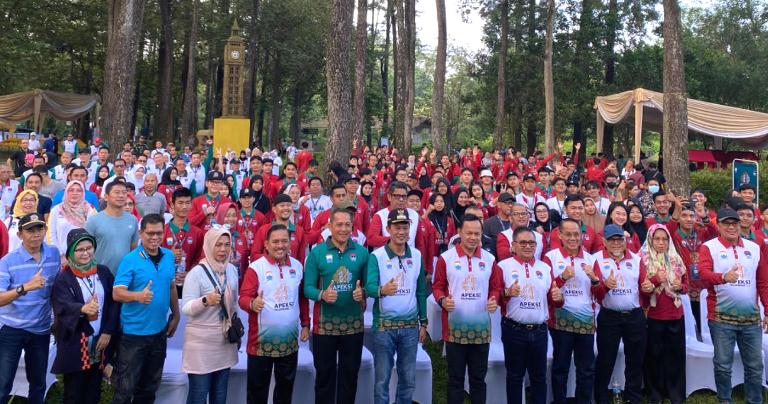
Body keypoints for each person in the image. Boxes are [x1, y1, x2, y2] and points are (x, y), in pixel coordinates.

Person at [698, 207, 768, 404]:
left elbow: (763, 281)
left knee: (755, 365)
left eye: (734, 223)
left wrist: (767, 310)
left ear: (741, 224)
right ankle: (724, 400)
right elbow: (702, 274)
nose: (731, 227)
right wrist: (722, 277)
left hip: (751, 319)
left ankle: (754, 401)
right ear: (718, 225)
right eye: (726, 223)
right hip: (721, 319)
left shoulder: (754, 248)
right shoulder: (709, 247)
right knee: (722, 365)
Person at [432, 214, 503, 404]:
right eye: (469, 233)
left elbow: (496, 287)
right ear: (459, 233)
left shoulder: (489, 259)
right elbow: (437, 285)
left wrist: (494, 299)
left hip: (481, 330)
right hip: (455, 329)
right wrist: (442, 299)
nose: (473, 237)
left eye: (477, 234)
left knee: (478, 379)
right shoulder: (446, 258)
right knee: (455, 379)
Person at [111, 214, 181, 404]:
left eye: (159, 233)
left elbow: (171, 285)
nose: (155, 238)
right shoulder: (130, 259)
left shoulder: (167, 256)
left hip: (159, 334)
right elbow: (117, 293)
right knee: (125, 390)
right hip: (134, 336)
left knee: (149, 389)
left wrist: (176, 314)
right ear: (141, 233)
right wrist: (137, 296)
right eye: (150, 233)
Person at [303, 207, 370, 404]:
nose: (343, 229)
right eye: (338, 224)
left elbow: (369, 286)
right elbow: (307, 288)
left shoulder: (361, 253)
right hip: (325, 328)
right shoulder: (317, 253)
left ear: (352, 226)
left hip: (353, 327)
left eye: (347, 225)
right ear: (330, 226)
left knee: (350, 376)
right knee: (325, 377)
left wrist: (363, 292)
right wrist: (322, 294)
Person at [240, 224, 310, 404]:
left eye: (284, 241)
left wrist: (305, 324)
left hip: (289, 343)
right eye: (276, 242)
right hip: (260, 344)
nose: (280, 246)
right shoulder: (256, 267)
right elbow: (244, 297)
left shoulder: (297, 266)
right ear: (266, 244)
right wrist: (252, 303)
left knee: (285, 391)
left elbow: (301, 298)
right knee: (257, 393)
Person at [365, 209, 428, 404]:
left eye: (405, 227)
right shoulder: (377, 256)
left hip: (410, 327)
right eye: (397, 227)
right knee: (382, 380)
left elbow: (420, 291)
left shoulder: (416, 255)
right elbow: (369, 287)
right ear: (388, 229)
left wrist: (423, 323)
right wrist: (382, 290)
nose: (401, 232)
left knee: (408, 379)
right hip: (384, 327)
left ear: (410, 230)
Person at [51, 229, 119, 404]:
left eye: (89, 248)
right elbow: (63, 305)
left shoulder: (103, 272)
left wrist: (108, 331)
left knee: (93, 390)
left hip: (100, 341)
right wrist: (83, 308)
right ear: (71, 252)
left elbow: (113, 303)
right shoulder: (64, 278)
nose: (85, 253)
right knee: (74, 392)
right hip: (75, 343)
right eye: (80, 249)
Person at [498, 226, 563, 404]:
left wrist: (559, 298)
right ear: (514, 245)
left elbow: (554, 298)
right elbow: (495, 296)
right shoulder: (503, 266)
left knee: (539, 377)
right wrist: (507, 292)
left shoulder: (544, 267)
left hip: (540, 331)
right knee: (514, 376)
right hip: (514, 330)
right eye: (523, 243)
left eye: (532, 243)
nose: (528, 246)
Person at [0, 213, 61, 404]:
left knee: (38, 383)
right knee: (3, 384)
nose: (36, 234)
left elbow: (55, 290)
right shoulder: (7, 262)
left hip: (41, 330)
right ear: (19, 235)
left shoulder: (53, 255)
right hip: (11, 330)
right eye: (30, 230)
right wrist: (25, 287)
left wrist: (57, 319)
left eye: (39, 229)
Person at [181, 227, 240, 404]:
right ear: (208, 245)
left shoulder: (232, 270)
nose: (223, 249)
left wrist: (236, 332)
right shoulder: (196, 274)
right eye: (218, 245)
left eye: (227, 245)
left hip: (224, 342)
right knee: (199, 395)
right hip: (201, 345)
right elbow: (186, 308)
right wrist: (206, 300)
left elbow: (234, 303)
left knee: (220, 395)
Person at [592, 224, 650, 404]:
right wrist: (605, 287)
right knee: (605, 360)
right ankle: (601, 397)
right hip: (609, 317)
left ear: (625, 241)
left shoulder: (636, 259)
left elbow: (644, 287)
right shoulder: (596, 260)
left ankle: (633, 397)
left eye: (619, 239)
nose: (616, 243)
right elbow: (595, 294)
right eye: (612, 240)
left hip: (634, 315)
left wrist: (648, 288)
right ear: (604, 242)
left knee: (635, 360)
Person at [543, 218, 599, 404]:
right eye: (568, 234)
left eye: (576, 234)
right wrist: (561, 278)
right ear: (560, 235)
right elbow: (547, 291)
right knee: (560, 367)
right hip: (561, 321)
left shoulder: (591, 259)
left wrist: (594, 279)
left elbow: (600, 294)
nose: (573, 238)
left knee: (586, 369)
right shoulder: (550, 257)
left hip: (585, 321)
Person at [640, 223, 688, 404]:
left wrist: (680, 287)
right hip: (653, 314)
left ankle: (675, 393)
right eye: (657, 239)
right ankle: (655, 394)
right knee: (654, 356)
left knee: (675, 355)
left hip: (675, 313)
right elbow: (641, 290)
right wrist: (654, 279)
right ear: (650, 240)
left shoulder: (676, 259)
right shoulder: (642, 259)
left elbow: (685, 285)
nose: (661, 243)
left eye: (664, 239)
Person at [85, 181, 139, 275]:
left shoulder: (132, 220)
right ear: (106, 197)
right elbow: (86, 251)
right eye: (117, 192)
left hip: (124, 275)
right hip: (99, 275)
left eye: (124, 192)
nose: (121, 196)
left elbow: (133, 250)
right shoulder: (93, 221)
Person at [163, 188, 205, 287]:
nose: (184, 206)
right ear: (172, 205)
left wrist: (190, 273)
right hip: (166, 283)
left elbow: (199, 259)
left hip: (190, 284)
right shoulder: (163, 231)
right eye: (180, 203)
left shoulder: (197, 232)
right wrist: (169, 255)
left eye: (187, 203)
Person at [47, 181, 96, 260]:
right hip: (62, 257)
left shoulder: (90, 210)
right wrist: (61, 255)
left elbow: (94, 233)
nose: (75, 193)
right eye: (71, 190)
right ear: (66, 192)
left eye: (79, 190)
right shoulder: (57, 210)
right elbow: (51, 234)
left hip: (85, 256)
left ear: (83, 193)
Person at [481, 191, 514, 256]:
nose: (510, 205)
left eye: (512, 203)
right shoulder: (488, 223)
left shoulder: (516, 222)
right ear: (498, 205)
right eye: (507, 203)